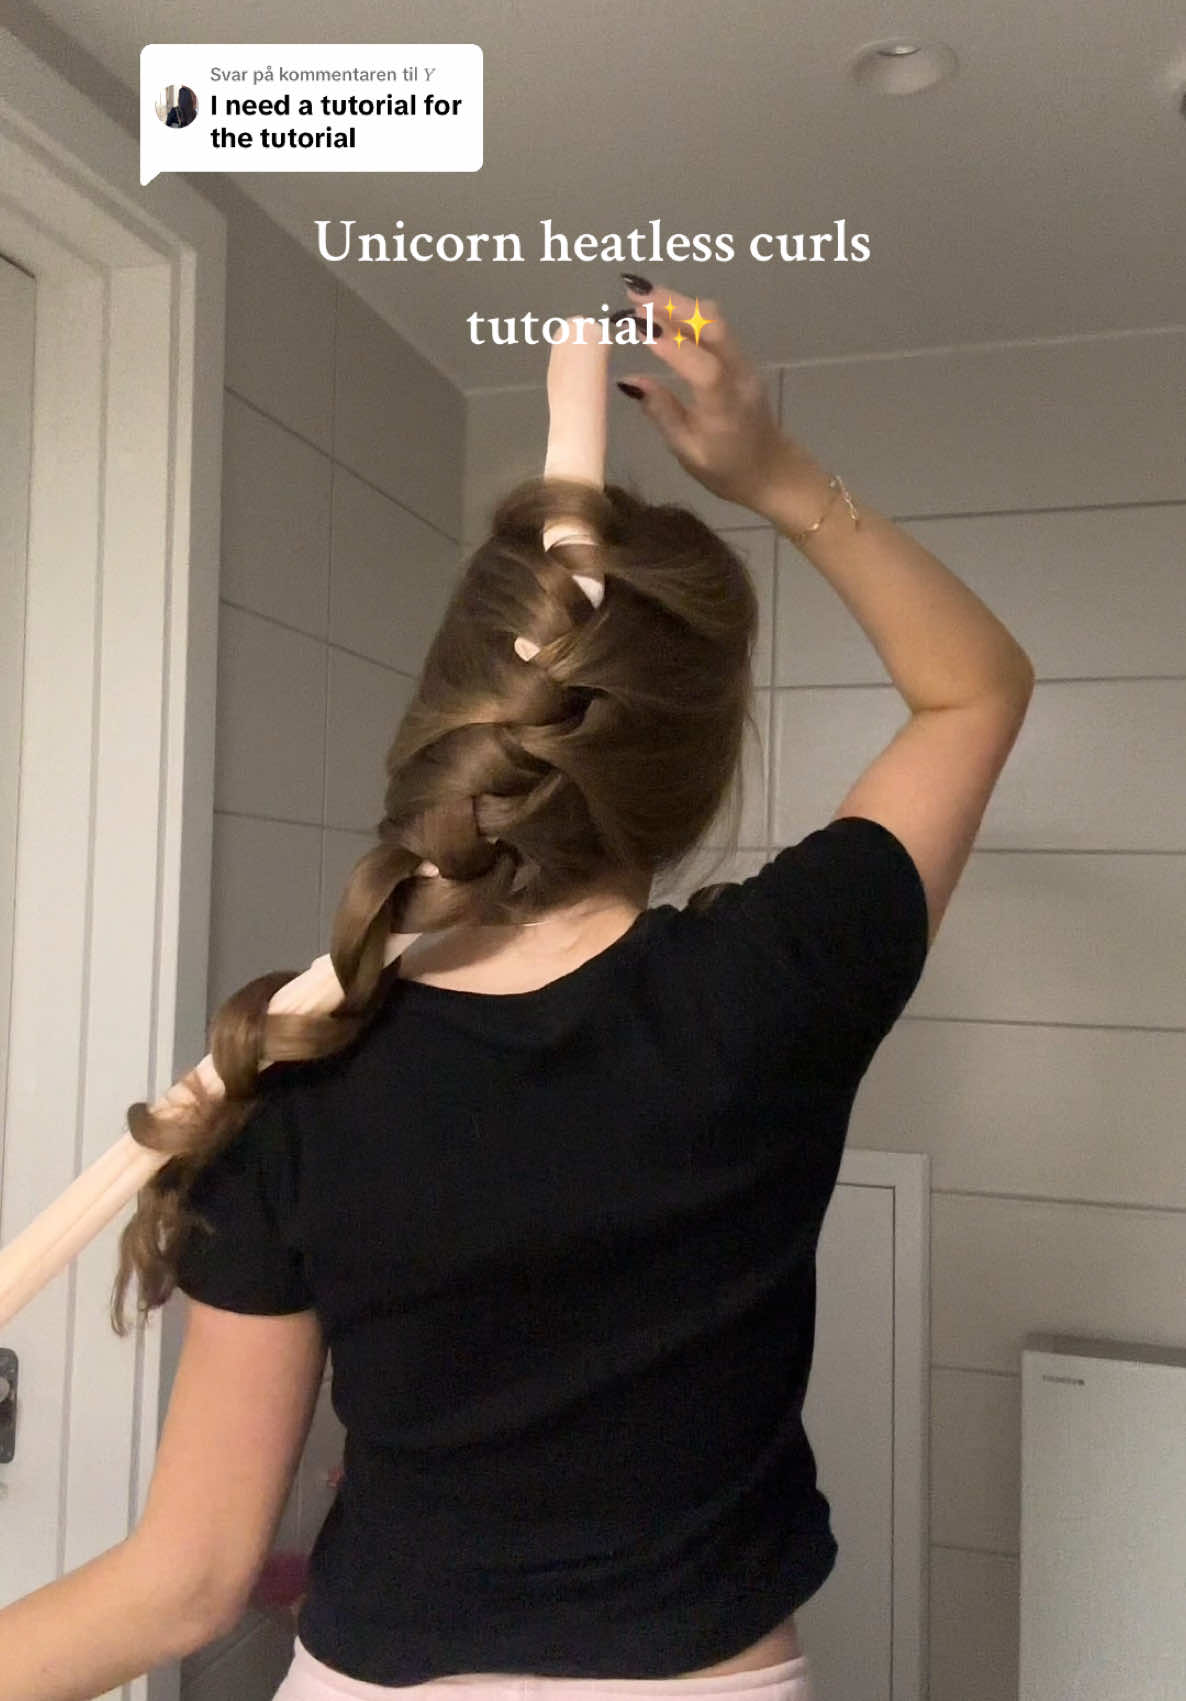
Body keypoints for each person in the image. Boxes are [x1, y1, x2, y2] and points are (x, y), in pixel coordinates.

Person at [0, 278, 1034, 1701]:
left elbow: (183, 1583)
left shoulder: (299, 1073)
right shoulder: (779, 980)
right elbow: (974, 689)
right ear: (696, 765)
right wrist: (775, 474)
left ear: (449, 719)